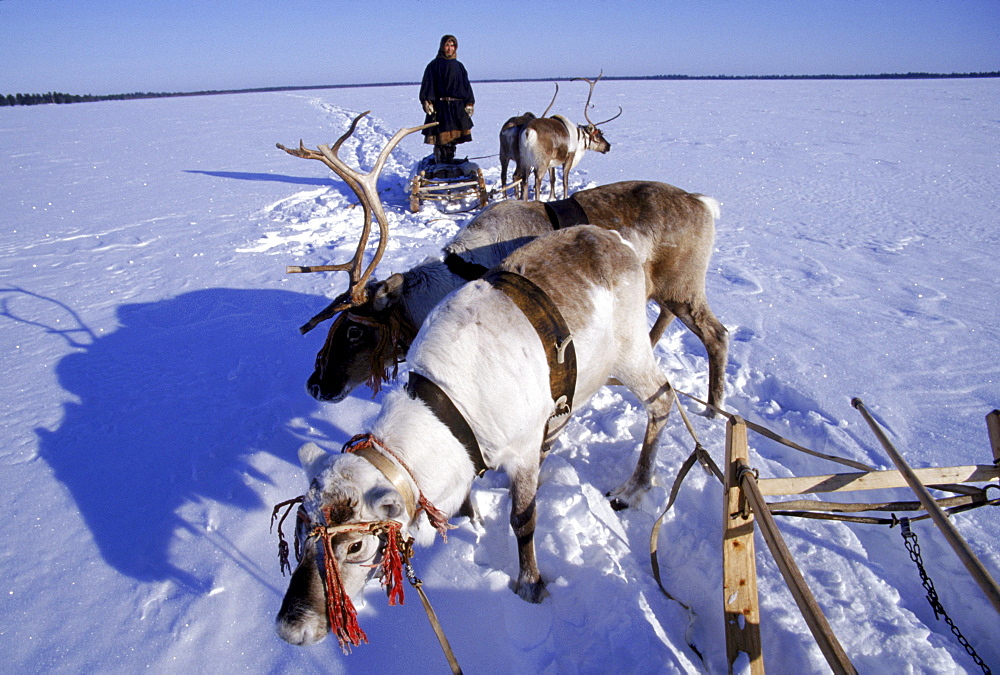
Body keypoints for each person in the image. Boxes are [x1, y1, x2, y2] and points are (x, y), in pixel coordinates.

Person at [419, 34, 474, 164]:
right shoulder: (433, 66)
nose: (450, 48)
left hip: (457, 108)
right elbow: (428, 84)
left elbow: (466, 86)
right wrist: (427, 101)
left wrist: (469, 103)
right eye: (447, 45)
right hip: (441, 108)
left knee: (452, 140)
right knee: (441, 140)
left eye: (452, 45)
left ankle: (449, 163)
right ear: (442, 47)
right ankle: (440, 163)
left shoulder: (459, 66)